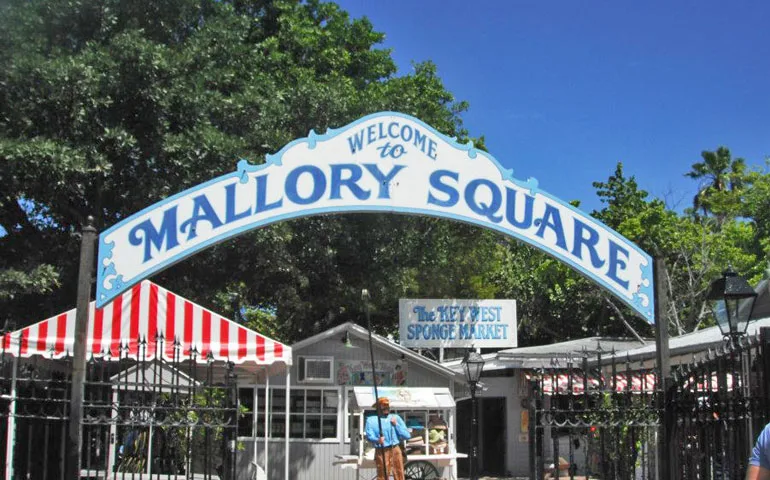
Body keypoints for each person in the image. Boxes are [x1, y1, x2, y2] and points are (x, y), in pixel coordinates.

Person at [364, 397, 411, 480]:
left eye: (387, 406)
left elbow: (407, 435)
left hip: (395, 448)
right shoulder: (371, 420)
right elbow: (369, 435)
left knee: (399, 473)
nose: (386, 408)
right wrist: (377, 440)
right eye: (383, 406)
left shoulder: (396, 417)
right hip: (381, 449)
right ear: (378, 408)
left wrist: (396, 425)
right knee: (383, 474)